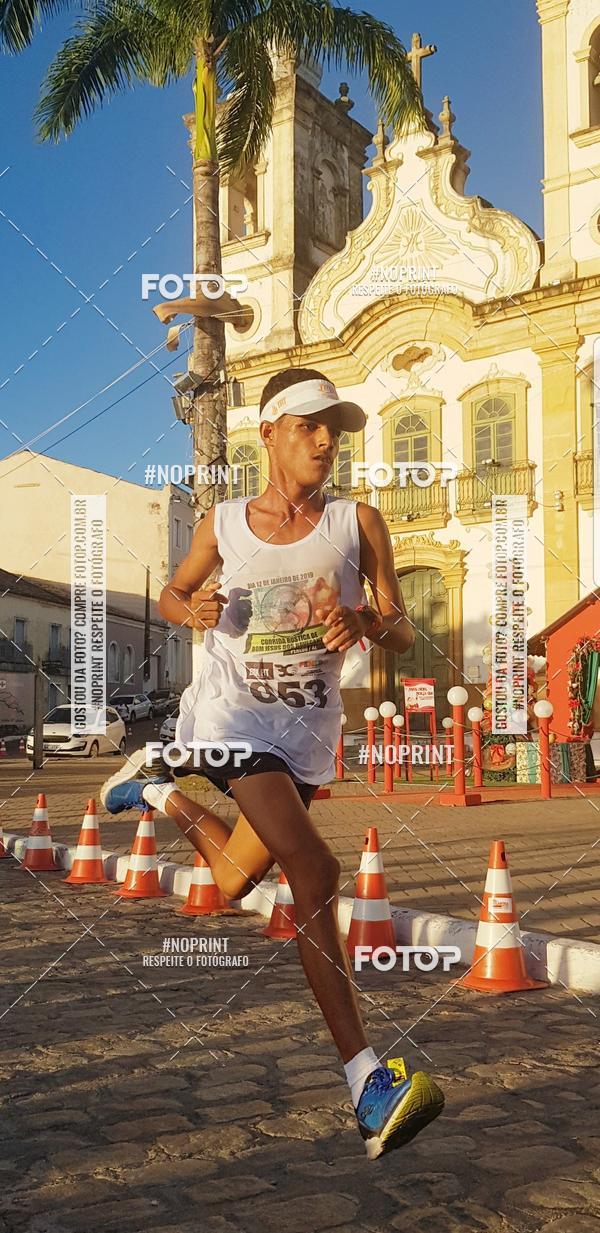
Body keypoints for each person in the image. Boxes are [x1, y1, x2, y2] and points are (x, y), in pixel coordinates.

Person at [101, 367, 444, 1160]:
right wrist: (193, 606)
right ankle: (365, 1080)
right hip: (232, 721)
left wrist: (363, 619)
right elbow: (173, 595)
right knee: (315, 872)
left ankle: (156, 793)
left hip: (305, 735)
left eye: (337, 429)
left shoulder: (360, 523)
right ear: (270, 433)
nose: (327, 441)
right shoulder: (223, 523)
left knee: (233, 883)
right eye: (310, 426)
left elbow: (397, 628)